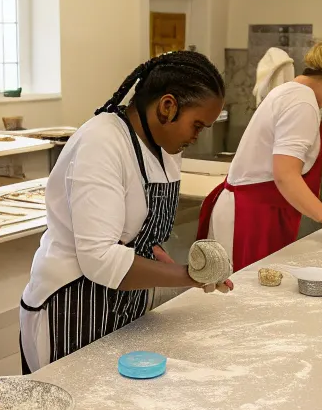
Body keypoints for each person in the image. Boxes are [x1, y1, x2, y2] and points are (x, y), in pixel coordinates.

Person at [19, 51, 229, 373]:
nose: (196, 136)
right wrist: (189, 276)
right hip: (73, 306)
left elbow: (143, 238)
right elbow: (99, 258)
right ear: (167, 106)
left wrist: (194, 273)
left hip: (124, 302)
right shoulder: (102, 142)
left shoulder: (165, 147)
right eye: (197, 125)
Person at [198, 27, 322, 271]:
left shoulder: (290, 92)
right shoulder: (302, 103)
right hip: (254, 216)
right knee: (249, 288)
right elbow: (286, 175)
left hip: (256, 209)